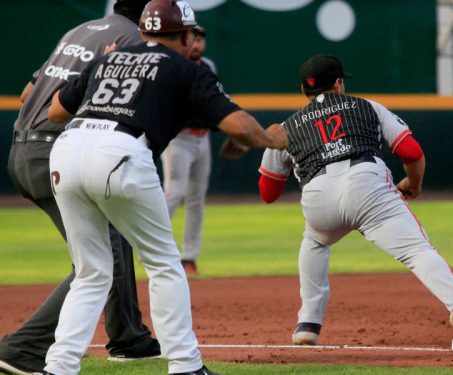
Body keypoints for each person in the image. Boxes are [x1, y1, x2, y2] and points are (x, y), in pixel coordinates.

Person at [44, 0, 287, 374]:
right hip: (120, 151)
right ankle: (186, 365)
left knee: (92, 271)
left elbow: (56, 111)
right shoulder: (187, 68)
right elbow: (238, 128)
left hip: (67, 150)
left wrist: (107, 72)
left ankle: (58, 367)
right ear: (188, 36)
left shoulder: (111, 58)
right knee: (163, 263)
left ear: (143, 31)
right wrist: (271, 140)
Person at [254, 54, 453, 346]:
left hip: (318, 196)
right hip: (366, 183)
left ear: (304, 90)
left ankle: (308, 323)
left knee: (315, 241)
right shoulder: (367, 107)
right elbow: (412, 152)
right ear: (339, 84)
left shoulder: (287, 127)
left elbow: (268, 193)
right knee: (416, 250)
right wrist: (413, 185)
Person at [2, 1, 160, 373]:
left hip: (24, 147)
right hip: (54, 153)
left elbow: (28, 94)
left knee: (114, 240)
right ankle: (22, 349)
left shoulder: (81, 31)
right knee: (99, 262)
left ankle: (129, 338)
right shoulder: (135, 39)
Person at [160, 25, 214, 276]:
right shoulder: (173, 65)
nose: (198, 42)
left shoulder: (208, 67)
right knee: (174, 193)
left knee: (196, 200)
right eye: (194, 37)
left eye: (201, 38)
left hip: (202, 139)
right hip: (178, 139)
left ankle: (189, 257)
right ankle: (151, 247)